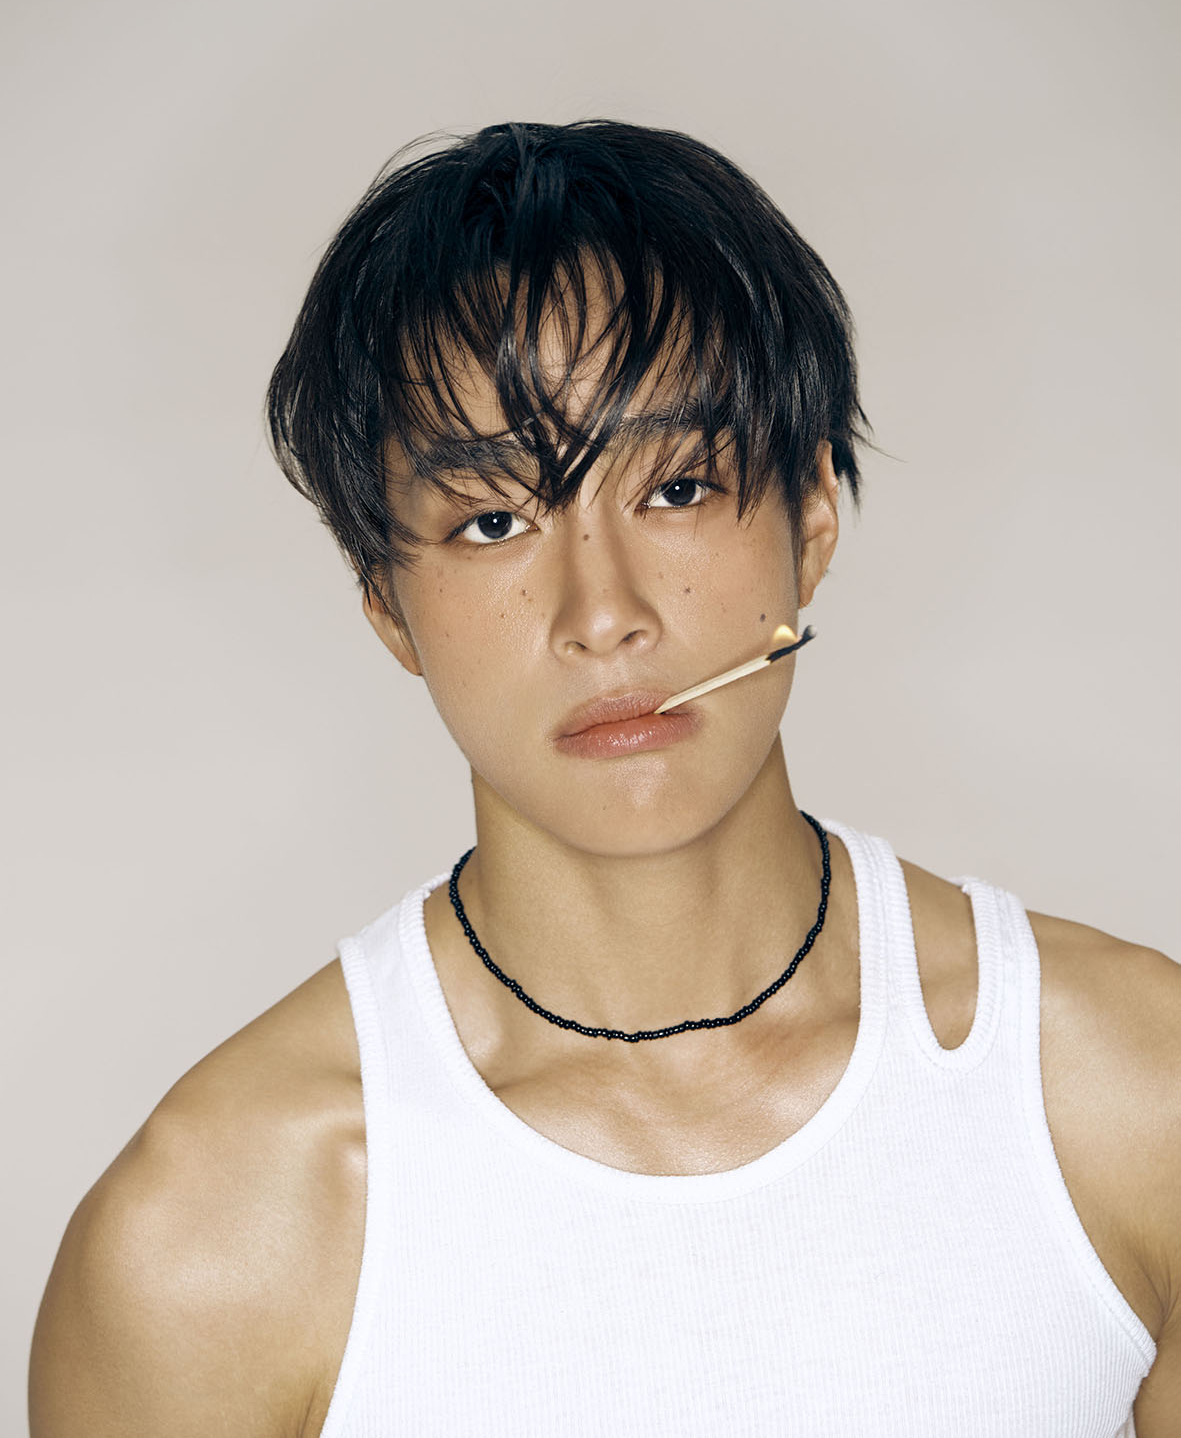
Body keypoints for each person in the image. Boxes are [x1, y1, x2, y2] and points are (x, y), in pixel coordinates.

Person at [29, 120, 1179, 1436]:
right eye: (493, 521)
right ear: (387, 604)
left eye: (677, 488)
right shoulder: (210, 1242)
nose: (603, 615)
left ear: (810, 517)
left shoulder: (1129, 1091)